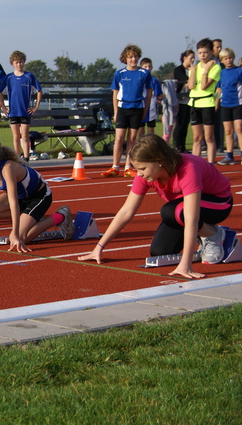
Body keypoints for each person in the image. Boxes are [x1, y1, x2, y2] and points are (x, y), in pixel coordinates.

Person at [79, 134, 232, 279]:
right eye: (136, 169)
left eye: (142, 168)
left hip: (219, 203)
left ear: (159, 161)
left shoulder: (188, 168)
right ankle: (205, 231)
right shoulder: (145, 175)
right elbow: (126, 211)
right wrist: (99, 247)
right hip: (182, 209)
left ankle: (212, 234)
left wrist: (185, 265)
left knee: (172, 211)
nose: (139, 174)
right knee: (159, 252)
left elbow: (191, 218)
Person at [102, 44, 152, 178]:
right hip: (123, 108)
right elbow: (115, 93)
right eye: (130, 57)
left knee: (132, 139)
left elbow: (149, 92)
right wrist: (116, 111)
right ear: (125, 58)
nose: (133, 59)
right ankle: (115, 166)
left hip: (137, 108)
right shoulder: (119, 73)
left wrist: (145, 110)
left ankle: (128, 166)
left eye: (135, 56)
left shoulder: (144, 73)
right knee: (118, 139)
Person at [0, 50, 43, 160]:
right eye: (16, 62)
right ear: (12, 63)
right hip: (13, 111)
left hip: (25, 111)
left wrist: (35, 106)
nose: (19, 64)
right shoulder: (8, 78)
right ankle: (17, 158)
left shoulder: (29, 76)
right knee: (16, 136)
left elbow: (39, 91)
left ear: (24, 62)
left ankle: (26, 158)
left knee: (25, 136)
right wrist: (3, 107)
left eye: (21, 62)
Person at [187, 38, 221, 164]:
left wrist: (206, 70)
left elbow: (204, 86)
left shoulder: (215, 67)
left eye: (205, 52)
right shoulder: (195, 67)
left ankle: (211, 165)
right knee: (196, 137)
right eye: (200, 52)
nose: (202, 55)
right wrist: (194, 71)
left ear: (211, 52)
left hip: (207, 103)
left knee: (209, 137)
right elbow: (190, 86)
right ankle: (196, 165)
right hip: (194, 103)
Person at [215, 48, 242, 166]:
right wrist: (216, 103)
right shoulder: (221, 72)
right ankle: (229, 156)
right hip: (225, 104)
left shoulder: (239, 71)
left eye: (230, 57)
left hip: (238, 103)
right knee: (228, 130)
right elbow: (219, 88)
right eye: (226, 58)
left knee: (239, 129)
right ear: (222, 60)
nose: (228, 60)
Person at [172, 50, 195, 153]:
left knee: (186, 124)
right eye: (191, 58)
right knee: (180, 124)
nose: (193, 60)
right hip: (180, 100)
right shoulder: (178, 69)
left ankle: (183, 146)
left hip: (189, 100)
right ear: (184, 58)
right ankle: (176, 146)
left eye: (194, 58)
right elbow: (186, 81)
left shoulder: (194, 69)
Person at [137, 58, 163, 137]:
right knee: (140, 128)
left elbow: (159, 94)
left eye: (149, 67)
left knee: (150, 128)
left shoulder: (154, 80)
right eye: (145, 67)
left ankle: (150, 146)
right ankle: (140, 145)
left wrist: (161, 97)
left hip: (151, 107)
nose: (148, 69)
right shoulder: (138, 79)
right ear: (141, 67)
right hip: (140, 106)